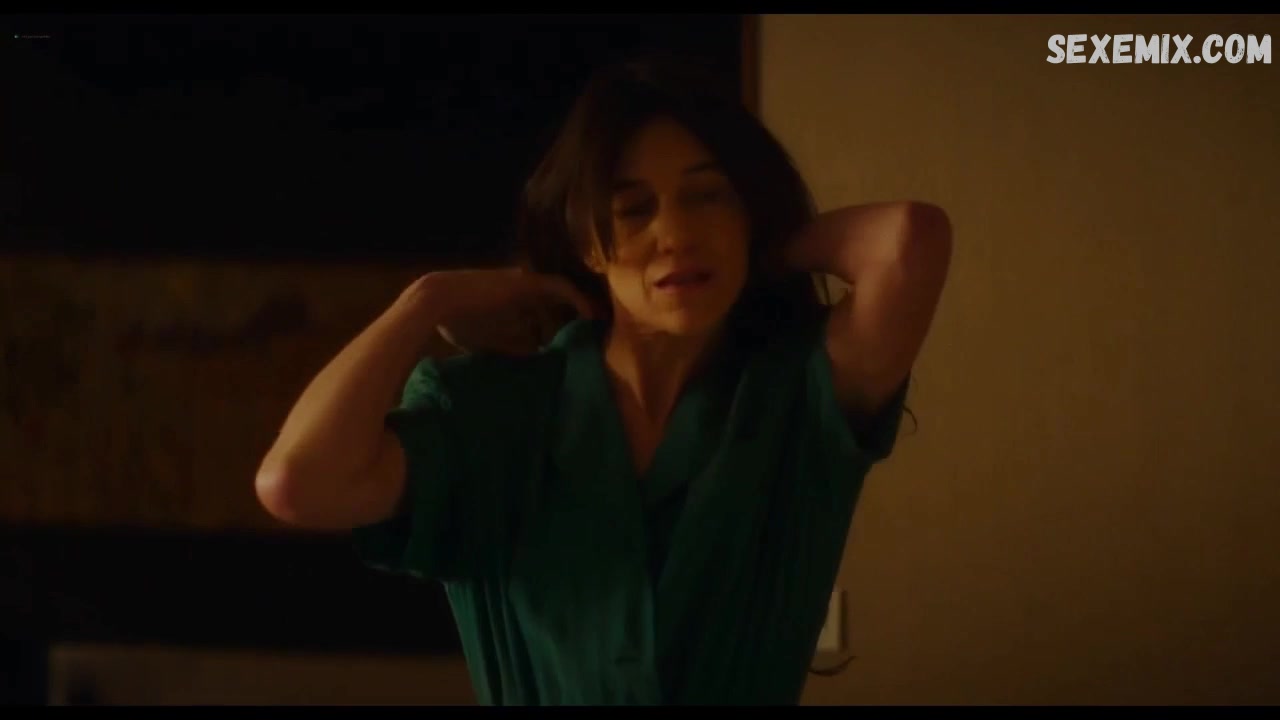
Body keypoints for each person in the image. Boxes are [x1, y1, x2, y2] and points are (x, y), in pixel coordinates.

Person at [255, 55, 952, 705]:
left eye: (708, 196)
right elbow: (297, 482)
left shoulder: (795, 394)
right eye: (634, 209)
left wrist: (757, 250)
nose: (676, 233)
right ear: (589, 243)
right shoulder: (495, 410)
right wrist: (427, 301)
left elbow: (909, 240)